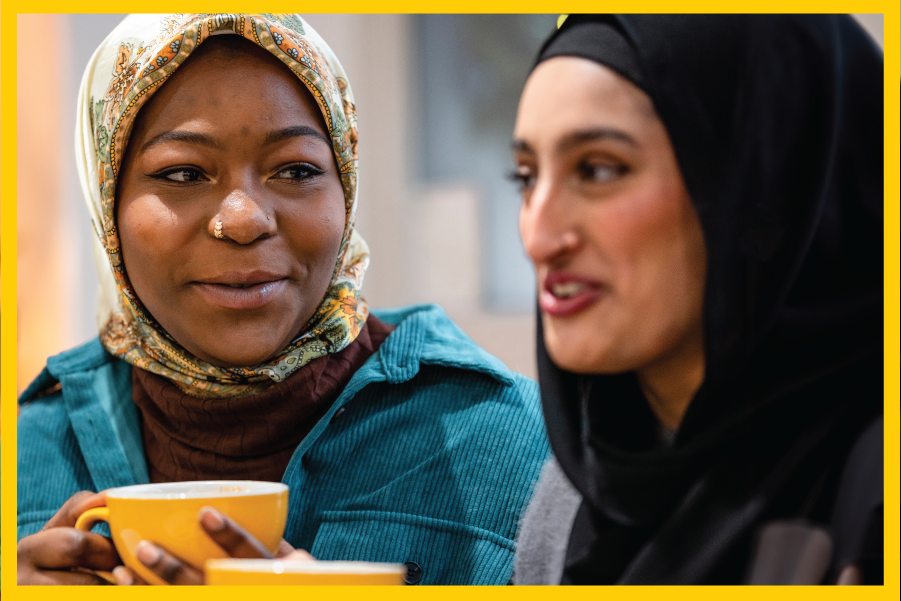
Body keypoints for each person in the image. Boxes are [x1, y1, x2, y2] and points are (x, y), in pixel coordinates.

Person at [17, 13, 549, 586]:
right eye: (183, 173)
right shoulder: (28, 448)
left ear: (344, 187)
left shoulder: (517, 444)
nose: (243, 220)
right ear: (106, 202)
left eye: (296, 169)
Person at [509, 15, 883, 585]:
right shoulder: (571, 502)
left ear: (766, 186)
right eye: (527, 177)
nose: (538, 237)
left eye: (600, 169)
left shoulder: (872, 490)